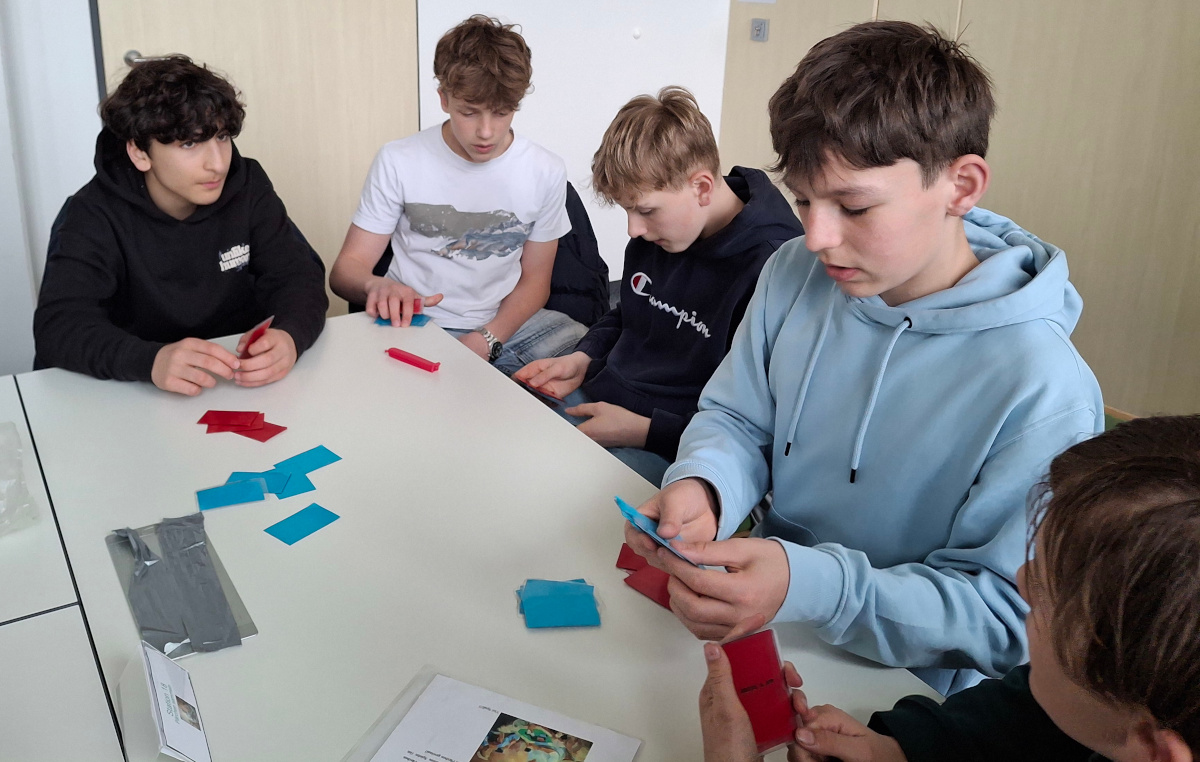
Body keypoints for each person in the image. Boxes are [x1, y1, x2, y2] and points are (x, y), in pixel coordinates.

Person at [625, 20, 1104, 695]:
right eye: (803, 199)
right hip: (766, 620)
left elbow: (1004, 618)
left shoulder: (1045, 388)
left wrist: (814, 587)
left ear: (962, 185)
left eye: (853, 206)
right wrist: (704, 487)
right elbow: (735, 418)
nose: (817, 236)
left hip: (902, 689)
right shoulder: (791, 272)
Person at [699, 415, 1200, 762]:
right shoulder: (1113, 707)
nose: (1021, 579)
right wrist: (901, 750)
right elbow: (1027, 716)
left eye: (1049, 595)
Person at [513, 87, 802, 484]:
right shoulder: (662, 234)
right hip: (604, 395)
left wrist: (644, 431)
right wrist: (583, 357)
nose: (634, 229)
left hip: (676, 443)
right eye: (627, 211)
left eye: (646, 210)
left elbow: (759, 429)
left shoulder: (775, 267)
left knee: (554, 488)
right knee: (507, 438)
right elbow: (631, 312)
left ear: (701, 187)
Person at [33, 55, 328, 395]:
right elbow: (60, 326)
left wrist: (290, 336)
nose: (217, 164)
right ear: (139, 152)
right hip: (131, 393)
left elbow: (299, 276)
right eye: (189, 143)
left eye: (222, 137)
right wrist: (150, 360)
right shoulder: (91, 213)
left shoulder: (247, 184)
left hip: (235, 383)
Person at [329, 14, 584, 375]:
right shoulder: (399, 160)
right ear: (443, 99)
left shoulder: (545, 170)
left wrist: (487, 339)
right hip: (417, 322)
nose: (486, 132)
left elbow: (535, 283)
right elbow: (345, 271)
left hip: (506, 326)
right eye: (469, 112)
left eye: (502, 113)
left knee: (590, 361)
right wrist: (376, 285)